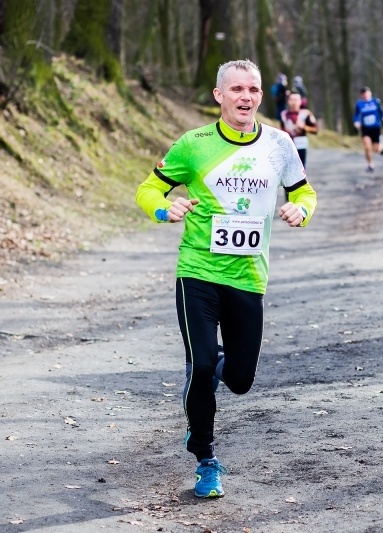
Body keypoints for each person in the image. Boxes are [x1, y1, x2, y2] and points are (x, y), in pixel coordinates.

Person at [135, 59, 317, 499]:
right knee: (200, 368)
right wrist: (164, 209)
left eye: (252, 89)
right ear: (219, 96)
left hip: (249, 278)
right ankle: (206, 459)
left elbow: (304, 192)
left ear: (259, 95)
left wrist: (302, 210)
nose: (245, 97)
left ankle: (212, 365)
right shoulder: (193, 144)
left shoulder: (279, 144)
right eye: (236, 89)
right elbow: (148, 189)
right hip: (196, 273)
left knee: (239, 380)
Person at [353, 86, 383, 172]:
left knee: (377, 150)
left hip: (376, 127)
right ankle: (370, 164)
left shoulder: (376, 101)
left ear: (370, 93)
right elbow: (356, 115)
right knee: (367, 146)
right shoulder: (359, 104)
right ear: (361, 95)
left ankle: (381, 143)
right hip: (365, 128)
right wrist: (356, 122)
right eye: (363, 94)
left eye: (367, 93)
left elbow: (381, 112)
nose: (365, 95)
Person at [280, 90, 318, 168]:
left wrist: (304, 127)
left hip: (301, 145)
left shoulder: (306, 114)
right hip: (287, 146)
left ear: (300, 101)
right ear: (288, 101)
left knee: (300, 169)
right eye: (291, 100)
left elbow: (315, 130)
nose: (293, 102)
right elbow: (282, 128)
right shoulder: (283, 114)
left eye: (296, 100)